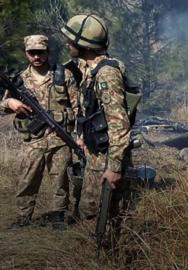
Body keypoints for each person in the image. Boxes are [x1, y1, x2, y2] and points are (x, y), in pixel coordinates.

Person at [0, 35, 78, 229]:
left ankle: (58, 216)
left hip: (59, 138)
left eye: (40, 52)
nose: (36, 56)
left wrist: (80, 136)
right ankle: (23, 217)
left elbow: (78, 107)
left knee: (60, 179)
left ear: (47, 52)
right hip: (32, 141)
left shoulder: (62, 75)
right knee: (27, 180)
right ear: (26, 53)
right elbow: (2, 105)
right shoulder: (19, 80)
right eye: (31, 52)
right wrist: (10, 102)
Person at [60, 15, 133, 220]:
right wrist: (82, 136)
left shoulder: (106, 74)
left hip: (106, 158)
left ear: (85, 44)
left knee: (101, 214)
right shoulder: (88, 69)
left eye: (72, 41)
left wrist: (114, 168)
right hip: (95, 153)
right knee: (89, 210)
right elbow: (89, 110)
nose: (67, 44)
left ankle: (108, 250)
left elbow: (119, 125)